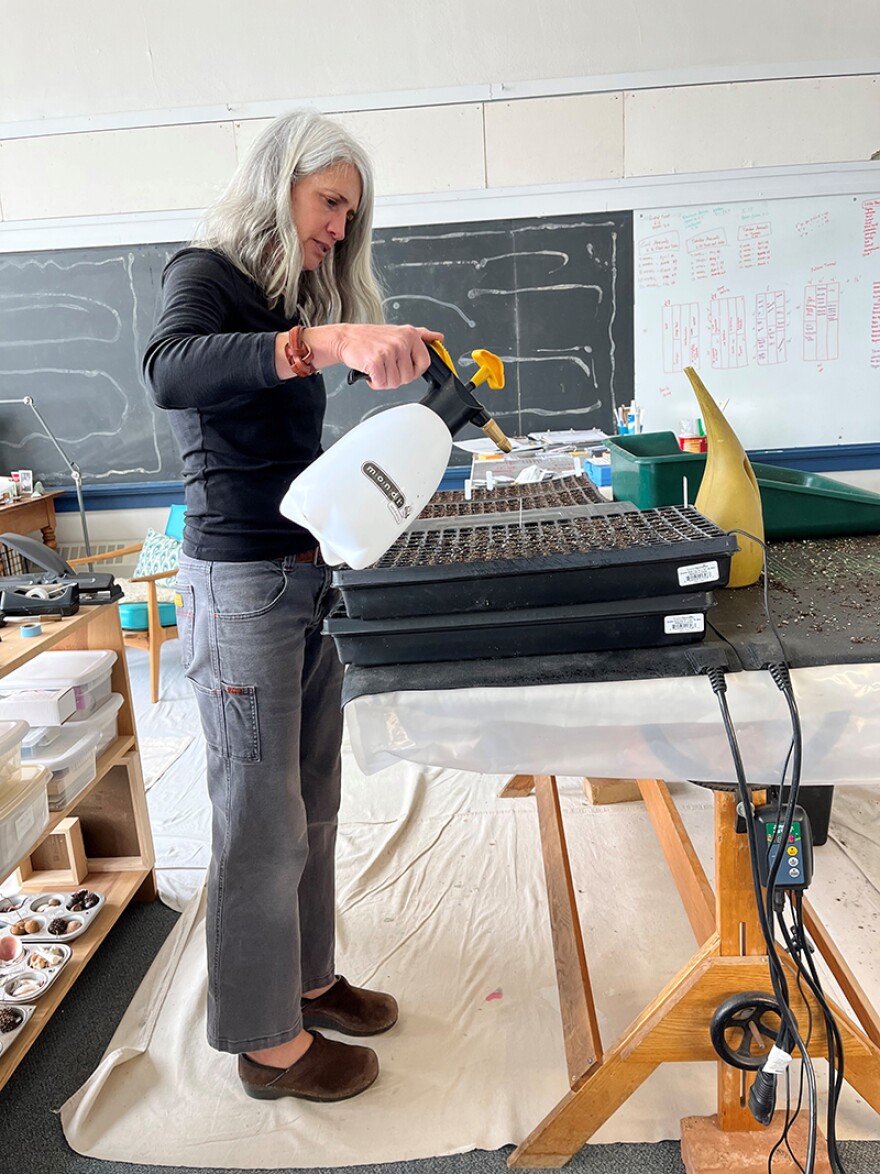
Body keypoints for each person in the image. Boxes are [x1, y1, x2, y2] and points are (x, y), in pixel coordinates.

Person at [143, 109, 442, 1102]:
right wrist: (319, 342)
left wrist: (367, 352)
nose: (338, 227)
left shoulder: (294, 295)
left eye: (350, 213)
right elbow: (171, 370)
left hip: (300, 571)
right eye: (328, 203)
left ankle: (307, 978)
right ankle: (266, 1045)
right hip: (238, 587)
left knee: (312, 801)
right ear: (279, 185)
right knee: (258, 817)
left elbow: (285, 428)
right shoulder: (208, 274)